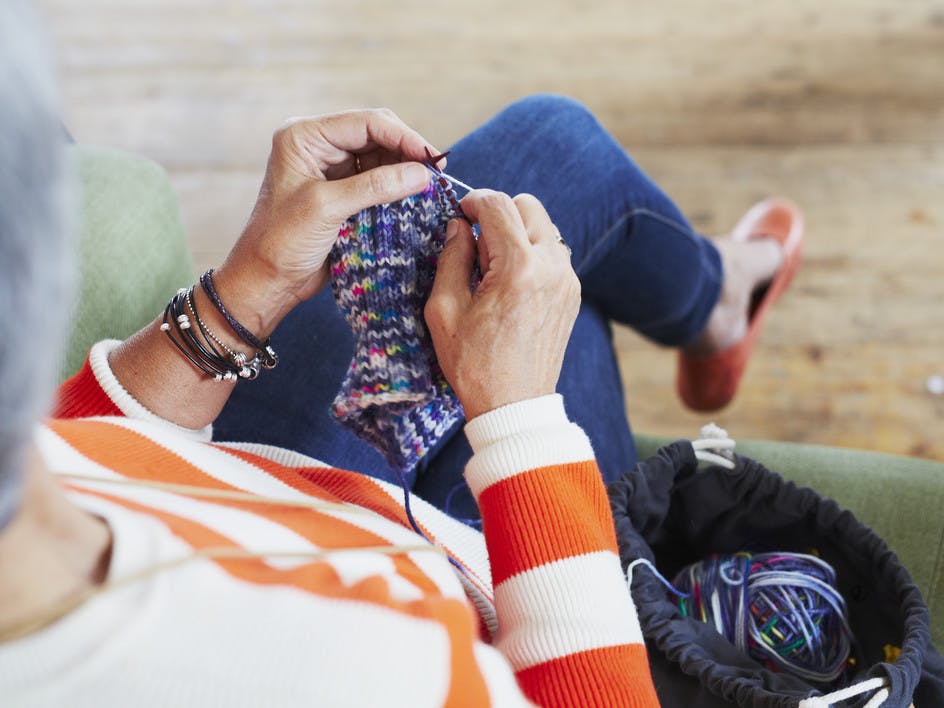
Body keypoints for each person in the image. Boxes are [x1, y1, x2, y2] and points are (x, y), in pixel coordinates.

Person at [0, 1, 800, 705]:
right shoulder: (351, 670)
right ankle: (721, 306)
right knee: (555, 215)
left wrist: (245, 292)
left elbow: (91, 454)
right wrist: (518, 418)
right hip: (488, 613)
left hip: (281, 489)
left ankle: (718, 304)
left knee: (529, 237)